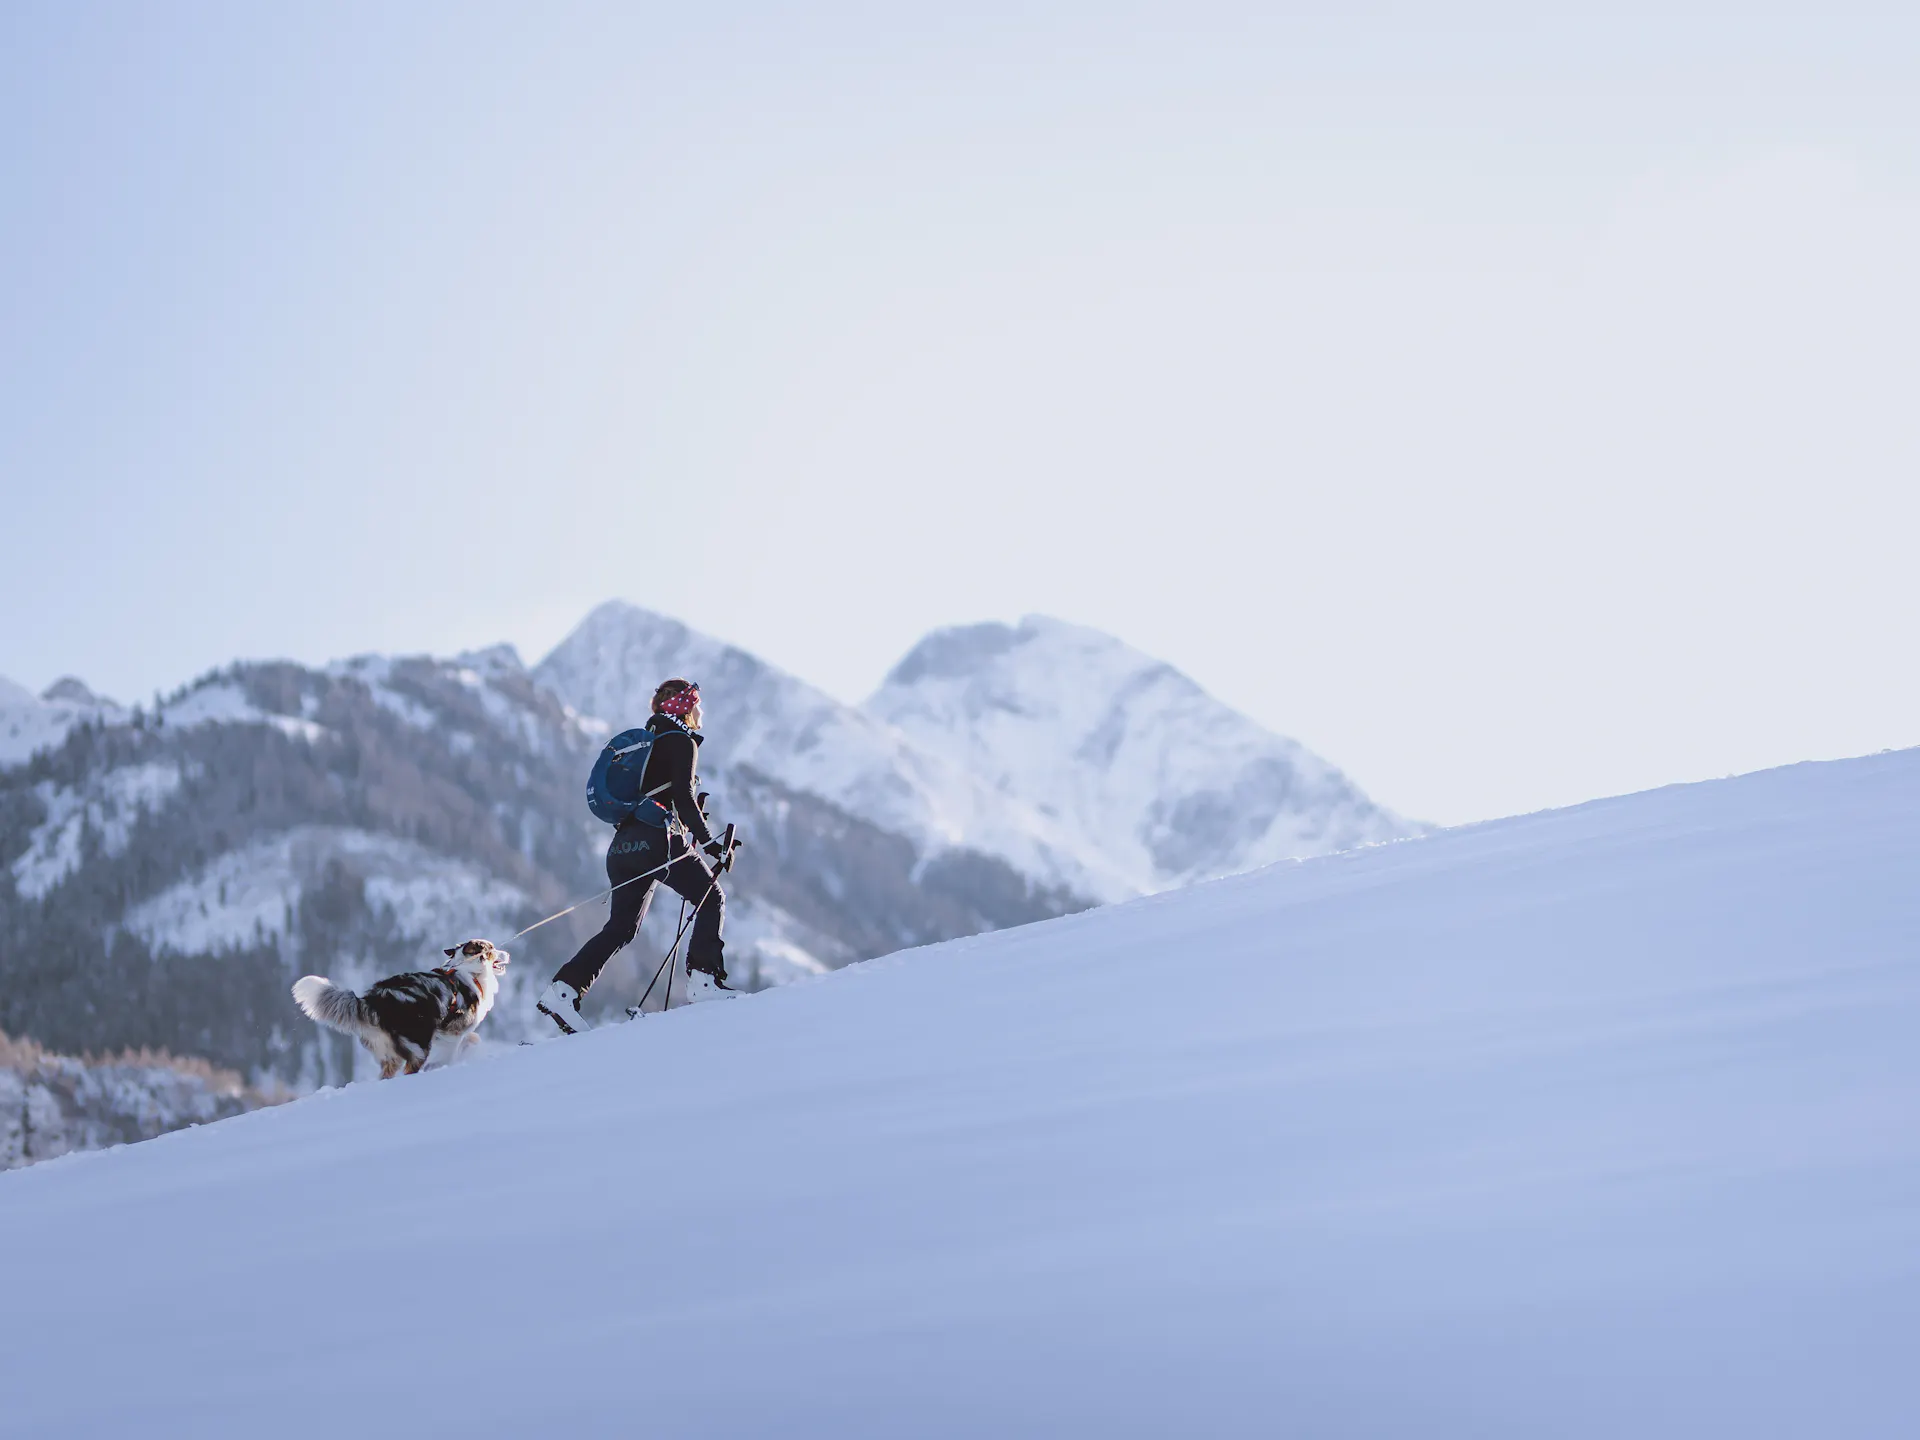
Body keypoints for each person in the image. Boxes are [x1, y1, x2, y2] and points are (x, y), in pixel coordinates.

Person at [536, 678, 737, 1034]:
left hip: (623, 846)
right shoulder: (680, 740)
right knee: (711, 897)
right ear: (683, 706)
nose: (700, 711)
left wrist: (689, 820)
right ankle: (704, 983)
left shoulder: (648, 743)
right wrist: (710, 844)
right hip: (657, 839)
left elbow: (671, 796)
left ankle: (563, 990)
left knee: (621, 927)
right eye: (697, 704)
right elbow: (682, 796)